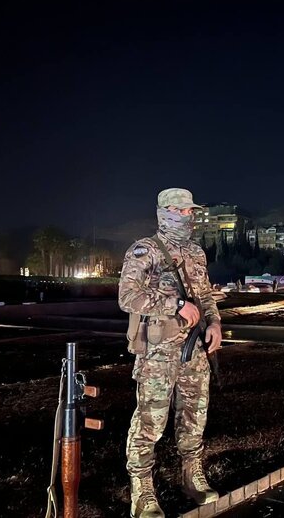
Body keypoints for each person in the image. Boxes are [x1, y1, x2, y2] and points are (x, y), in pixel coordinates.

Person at [119, 188, 223, 518]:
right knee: (150, 421)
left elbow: (205, 296)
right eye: (181, 211)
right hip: (158, 354)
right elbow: (127, 297)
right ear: (164, 212)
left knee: (194, 415)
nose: (187, 217)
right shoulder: (144, 250)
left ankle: (192, 476)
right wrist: (174, 304)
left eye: (190, 212)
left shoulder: (196, 253)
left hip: (194, 350)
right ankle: (142, 492)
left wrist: (214, 323)